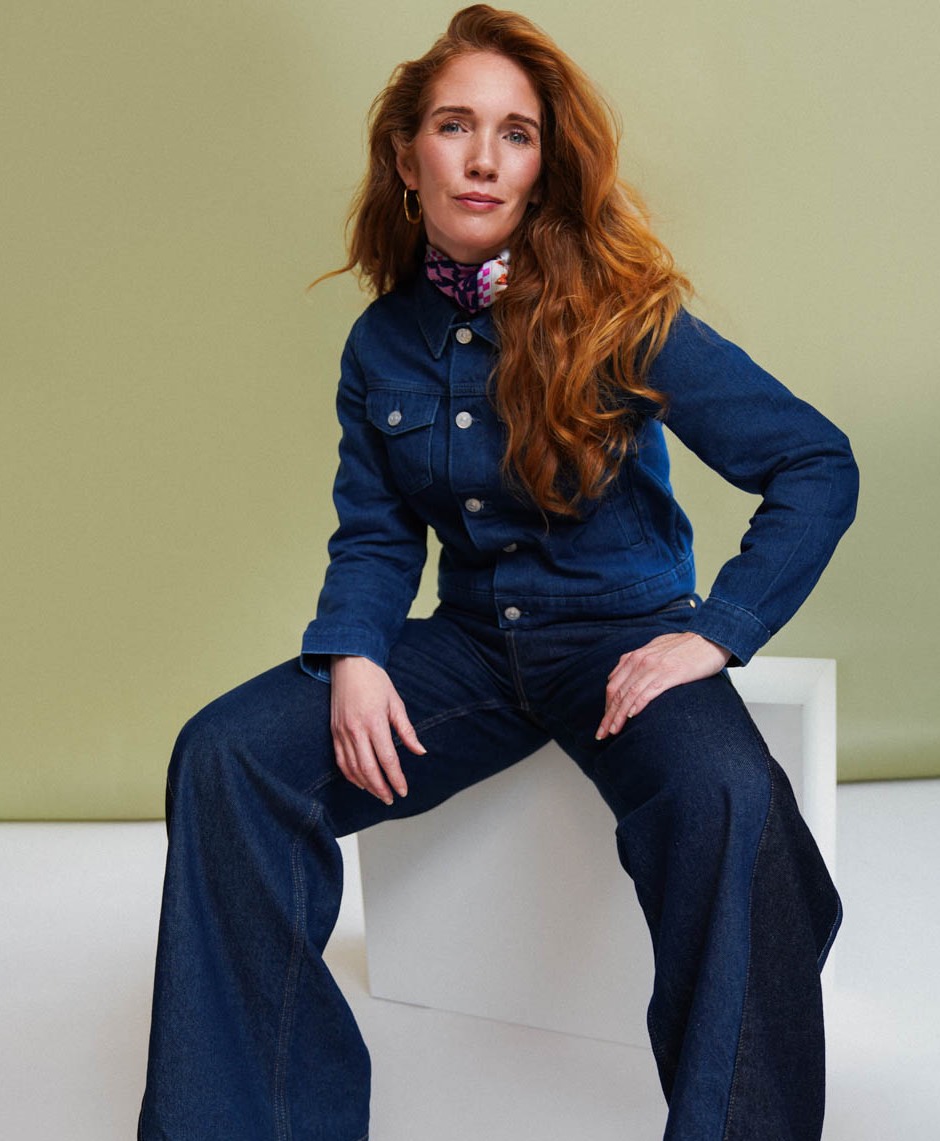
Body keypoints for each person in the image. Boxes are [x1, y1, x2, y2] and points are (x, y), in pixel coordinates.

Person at [138, 6, 859, 1139]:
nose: (483, 157)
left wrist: (718, 629)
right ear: (405, 155)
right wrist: (354, 652)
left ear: (541, 164)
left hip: (621, 641)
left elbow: (813, 462)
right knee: (225, 756)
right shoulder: (381, 342)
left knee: (732, 798)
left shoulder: (623, 314)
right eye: (454, 126)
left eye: (514, 134)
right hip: (472, 650)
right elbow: (377, 533)